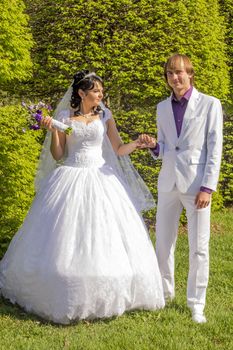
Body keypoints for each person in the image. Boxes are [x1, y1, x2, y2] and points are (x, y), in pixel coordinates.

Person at [0, 71, 164, 324]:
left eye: (101, 91)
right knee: (64, 236)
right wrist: (53, 129)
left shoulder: (106, 116)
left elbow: (119, 149)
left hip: (101, 177)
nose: (101, 95)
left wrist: (138, 144)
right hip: (71, 176)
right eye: (96, 91)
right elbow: (58, 154)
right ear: (81, 93)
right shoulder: (65, 117)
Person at [139, 54, 223, 323]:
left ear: (190, 74)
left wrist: (207, 187)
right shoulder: (162, 107)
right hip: (168, 184)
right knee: (163, 243)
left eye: (179, 73)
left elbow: (214, 149)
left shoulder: (210, 104)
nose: (175, 78)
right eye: (170, 74)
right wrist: (154, 145)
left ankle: (196, 303)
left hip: (197, 185)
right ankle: (164, 295)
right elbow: (165, 147)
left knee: (199, 247)